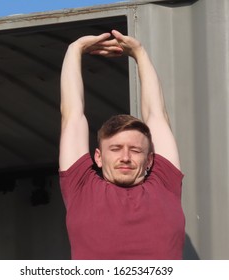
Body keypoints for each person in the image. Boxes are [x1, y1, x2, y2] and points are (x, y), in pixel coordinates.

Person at [59, 30, 185, 260]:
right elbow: (72, 116)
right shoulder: (81, 187)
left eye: (135, 150)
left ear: (149, 160)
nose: (125, 157)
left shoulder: (165, 184)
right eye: (115, 149)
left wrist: (140, 53)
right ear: (98, 157)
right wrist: (74, 49)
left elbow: (156, 115)